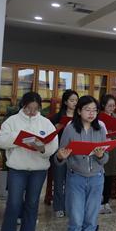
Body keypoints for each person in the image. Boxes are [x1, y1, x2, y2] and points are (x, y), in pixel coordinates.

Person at [0, 92, 59, 231]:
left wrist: (42, 148)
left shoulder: (45, 123)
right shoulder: (12, 121)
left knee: (32, 202)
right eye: (28, 108)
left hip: (38, 170)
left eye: (35, 109)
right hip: (17, 169)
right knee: (14, 202)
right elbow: (0, 140)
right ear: (22, 106)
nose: (31, 112)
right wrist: (18, 138)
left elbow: (53, 145)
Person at [56, 95, 109, 231]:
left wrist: (101, 155)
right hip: (76, 178)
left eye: (94, 110)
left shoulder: (100, 129)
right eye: (87, 109)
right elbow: (60, 156)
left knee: (91, 220)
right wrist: (60, 156)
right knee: (76, 219)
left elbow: (105, 158)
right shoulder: (70, 129)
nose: (91, 113)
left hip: (96, 179)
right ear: (79, 111)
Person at [50, 89, 79, 218]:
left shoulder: (80, 117)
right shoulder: (57, 117)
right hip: (60, 152)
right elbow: (48, 135)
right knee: (59, 180)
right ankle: (58, 206)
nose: (75, 103)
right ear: (66, 102)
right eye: (72, 100)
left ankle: (68, 205)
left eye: (76, 100)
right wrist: (55, 129)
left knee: (71, 181)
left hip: (75, 152)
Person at [99, 94, 116, 215]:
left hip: (113, 149)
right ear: (103, 105)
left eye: (114, 106)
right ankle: (99, 201)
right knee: (100, 176)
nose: (112, 108)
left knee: (109, 177)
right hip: (101, 149)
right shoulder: (98, 117)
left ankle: (106, 201)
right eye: (109, 106)